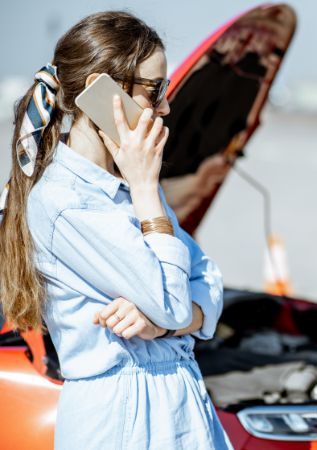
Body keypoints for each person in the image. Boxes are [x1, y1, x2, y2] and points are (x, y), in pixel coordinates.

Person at [0, 12, 231, 449]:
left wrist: (165, 326)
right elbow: (176, 302)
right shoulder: (64, 203)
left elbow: (208, 281)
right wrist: (146, 189)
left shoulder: (129, 183)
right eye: (153, 90)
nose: (164, 106)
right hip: (124, 419)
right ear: (101, 94)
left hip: (178, 404)